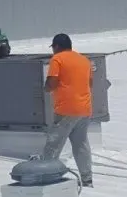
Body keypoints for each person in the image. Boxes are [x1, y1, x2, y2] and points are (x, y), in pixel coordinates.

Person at [39, 32, 94, 186]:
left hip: (66, 109)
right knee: (81, 144)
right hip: (85, 109)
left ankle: (46, 177)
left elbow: (52, 83)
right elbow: (90, 83)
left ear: (56, 46)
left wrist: (45, 89)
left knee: (53, 144)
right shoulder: (84, 60)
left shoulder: (57, 59)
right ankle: (87, 178)